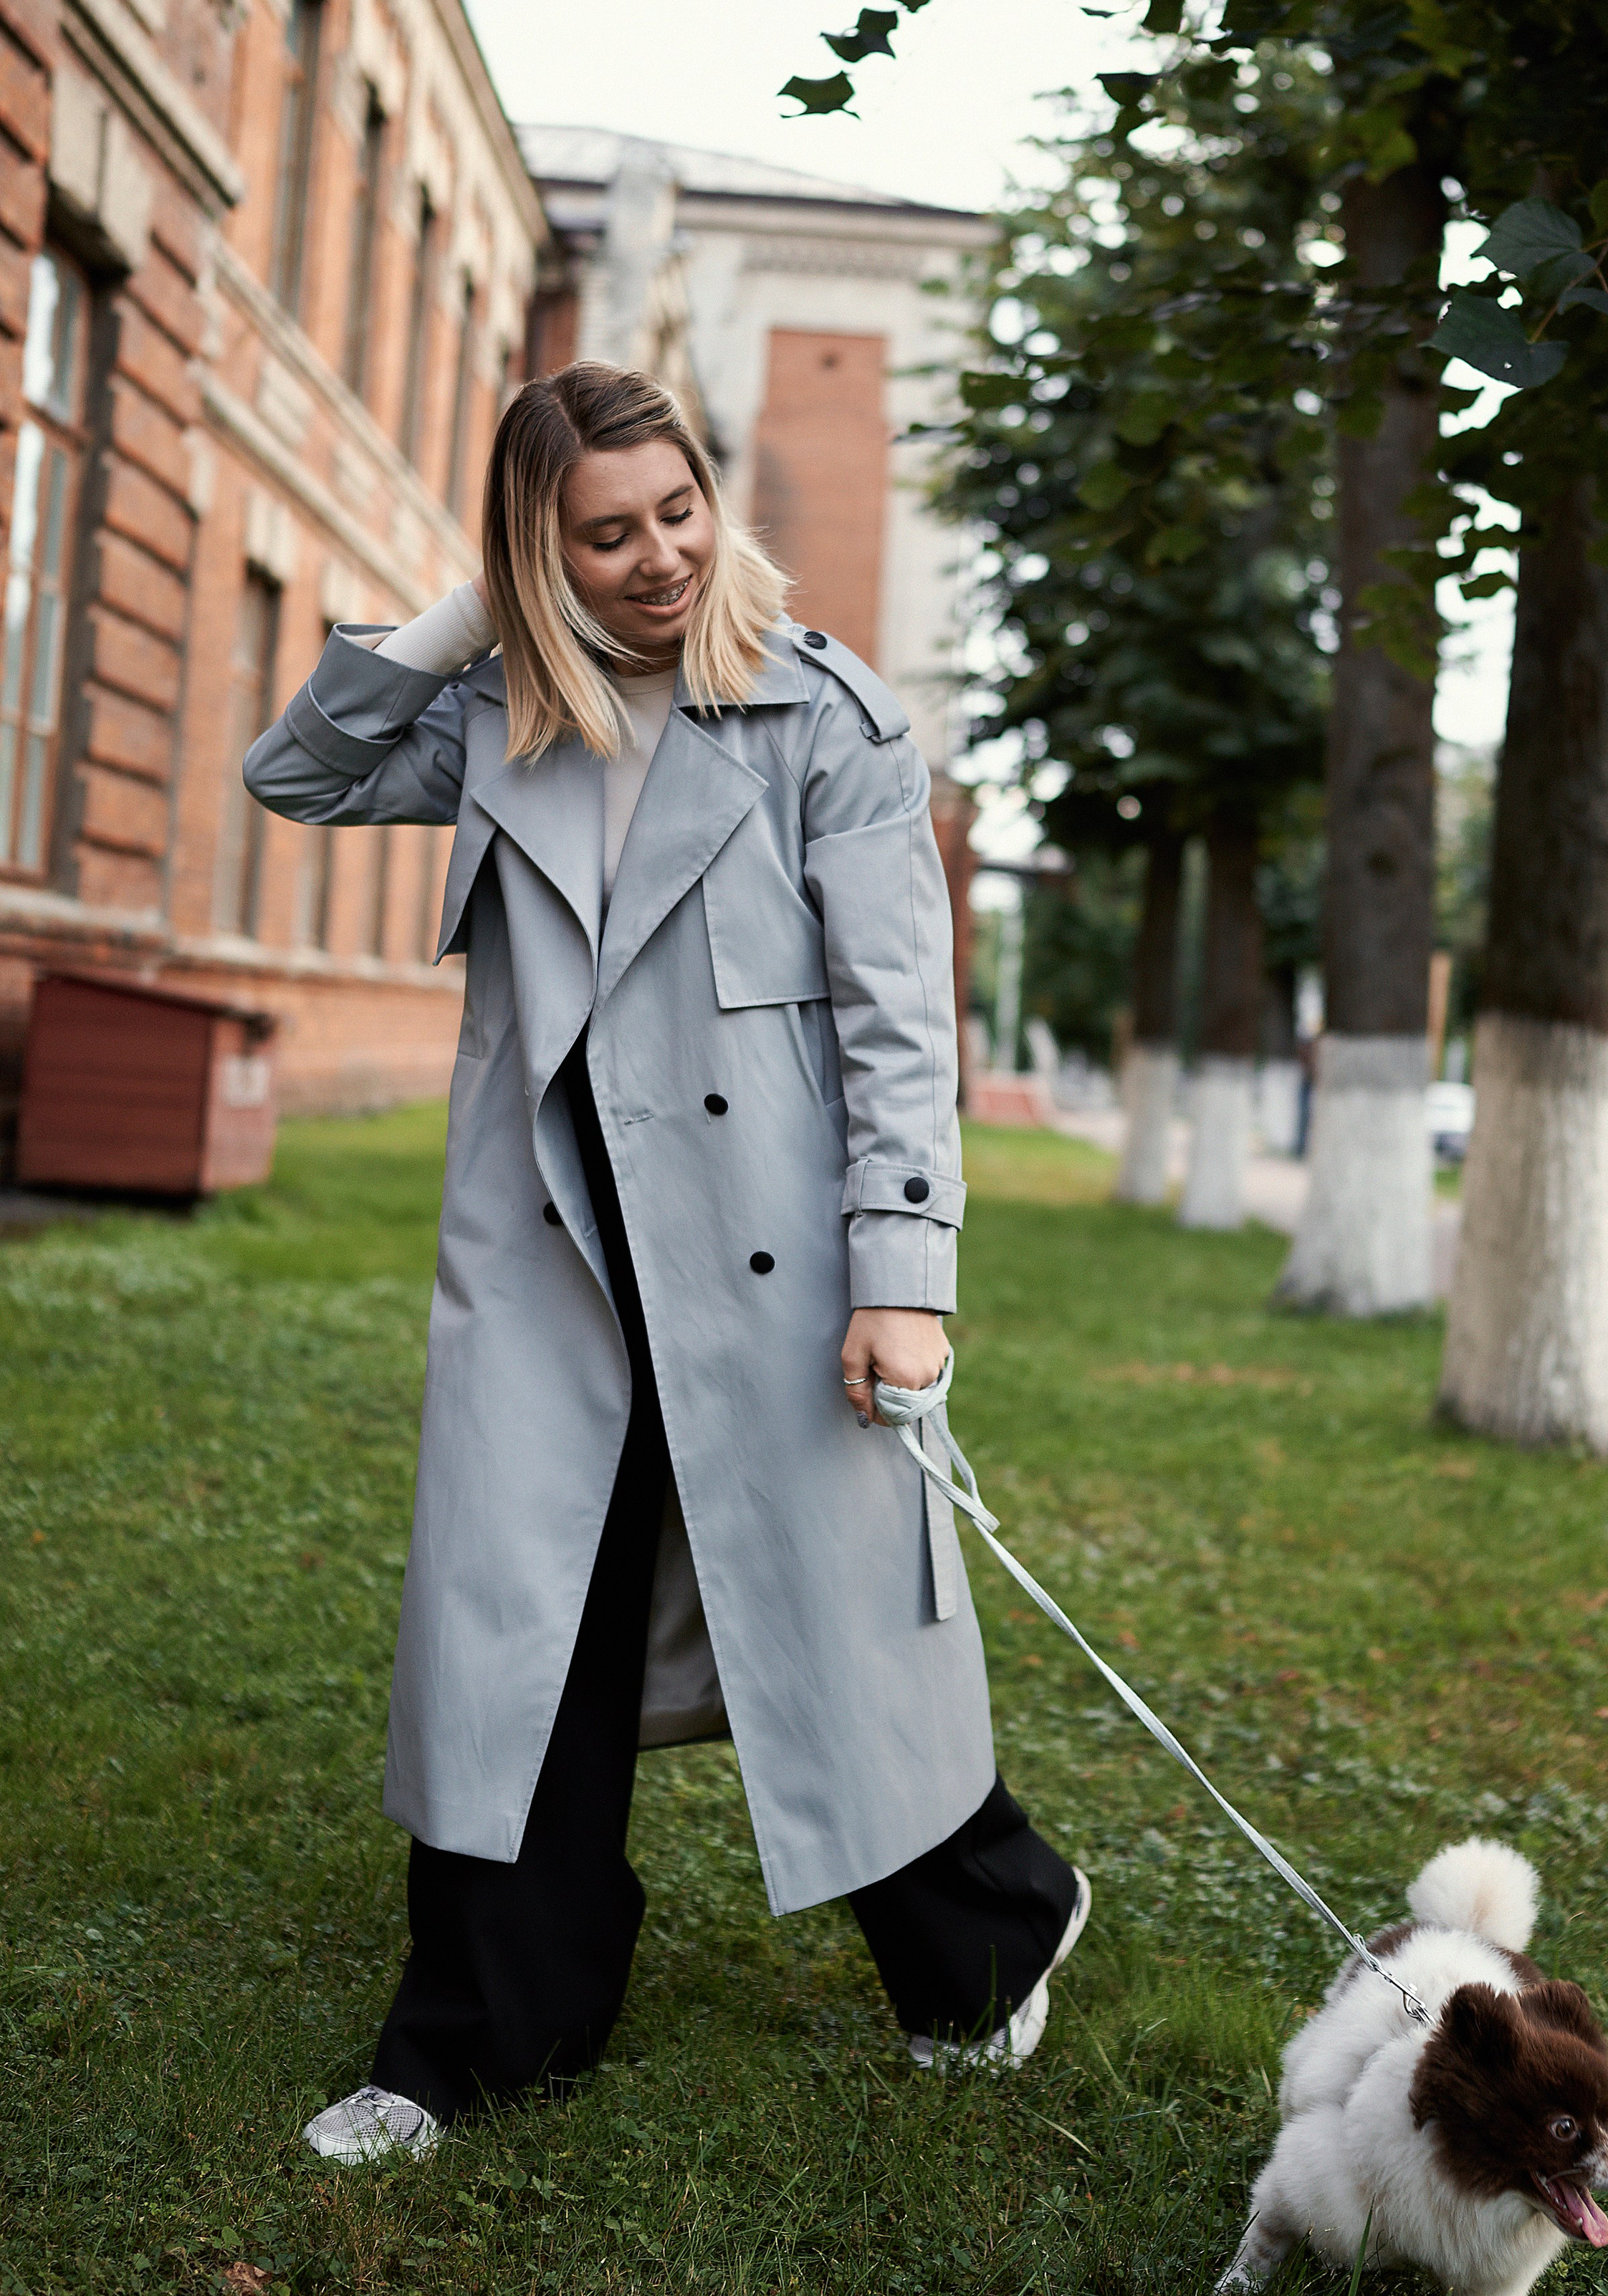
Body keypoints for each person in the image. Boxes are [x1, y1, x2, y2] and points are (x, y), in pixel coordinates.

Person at [243, 363, 1089, 2160]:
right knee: (512, 1633)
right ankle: (468, 2042)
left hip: (772, 1263)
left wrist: (904, 1270)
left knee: (831, 1624)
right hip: (551, 1258)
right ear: (541, 550)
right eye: (603, 533)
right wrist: (476, 599)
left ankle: (995, 1932)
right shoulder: (491, 716)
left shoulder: (825, 716)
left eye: (677, 513)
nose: (657, 562)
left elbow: (895, 1025)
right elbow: (295, 771)